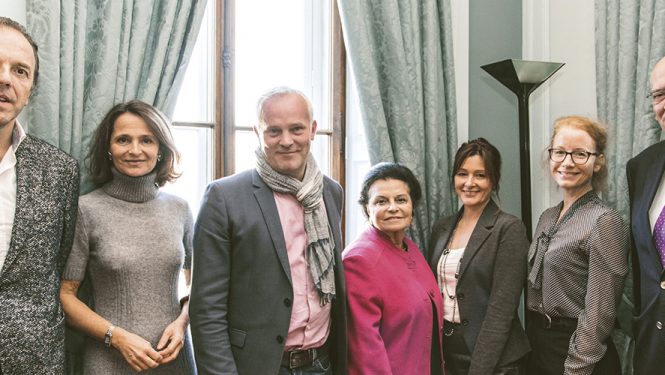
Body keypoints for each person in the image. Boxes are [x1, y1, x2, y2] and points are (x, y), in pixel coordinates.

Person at [190, 87, 347, 375]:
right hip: (258, 366)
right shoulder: (224, 197)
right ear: (257, 132)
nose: (286, 141)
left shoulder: (330, 192)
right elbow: (206, 310)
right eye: (274, 131)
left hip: (321, 363)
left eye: (296, 129)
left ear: (312, 130)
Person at [59, 100, 196, 374]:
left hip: (173, 361)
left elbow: (200, 285)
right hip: (107, 362)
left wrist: (183, 322)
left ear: (160, 149)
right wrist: (117, 337)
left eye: (146, 140)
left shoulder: (180, 209)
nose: (135, 150)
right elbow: (65, 296)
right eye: (123, 139)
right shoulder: (86, 210)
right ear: (108, 149)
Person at [0, 17, 79, 374]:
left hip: (32, 362)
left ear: (30, 88)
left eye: (20, 71)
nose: (6, 79)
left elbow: (56, 266)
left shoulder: (59, 171)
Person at [526, 115, 629, 375]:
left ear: (598, 162)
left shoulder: (604, 221)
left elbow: (600, 315)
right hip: (541, 346)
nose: (567, 162)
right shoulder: (547, 217)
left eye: (580, 154)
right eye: (560, 152)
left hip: (580, 354)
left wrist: (576, 368)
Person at [429, 138, 530, 374]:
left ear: (494, 181)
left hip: (494, 358)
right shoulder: (441, 228)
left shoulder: (509, 229)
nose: (469, 183)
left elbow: (501, 311)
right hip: (447, 352)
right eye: (462, 174)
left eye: (480, 175)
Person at [343, 162, 444, 375]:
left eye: (400, 200)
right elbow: (364, 352)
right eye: (381, 201)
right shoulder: (358, 260)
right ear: (366, 208)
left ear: (412, 207)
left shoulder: (410, 247)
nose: (392, 208)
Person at [627, 55, 665, 375]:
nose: (664, 103)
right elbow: (641, 266)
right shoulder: (640, 167)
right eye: (659, 95)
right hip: (654, 348)